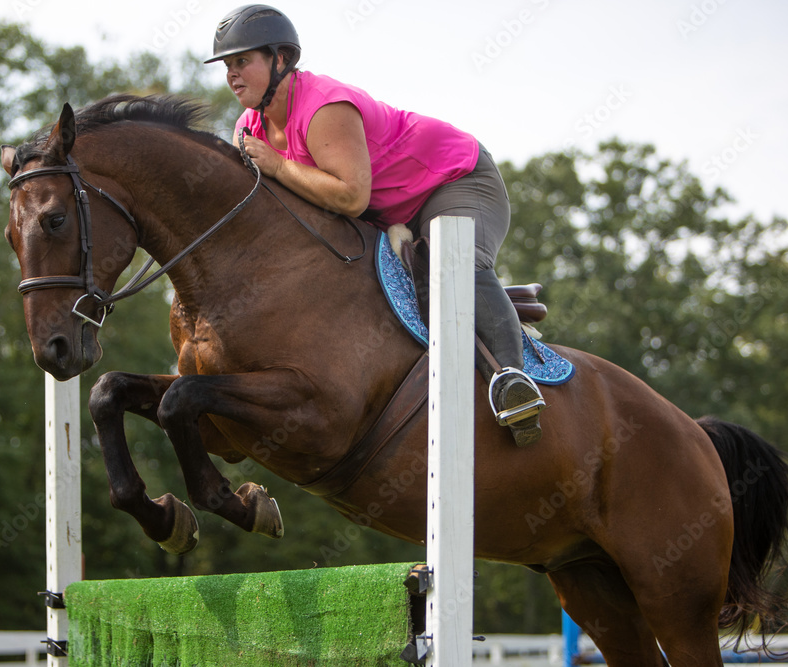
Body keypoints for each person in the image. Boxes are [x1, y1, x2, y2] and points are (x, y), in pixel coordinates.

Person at [204, 4, 546, 446]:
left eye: (242, 61)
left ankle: (512, 381)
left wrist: (277, 166)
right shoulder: (248, 127)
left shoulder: (325, 105)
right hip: (392, 212)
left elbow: (350, 196)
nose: (232, 75)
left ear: (281, 59)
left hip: (455, 180)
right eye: (228, 65)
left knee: (453, 260)